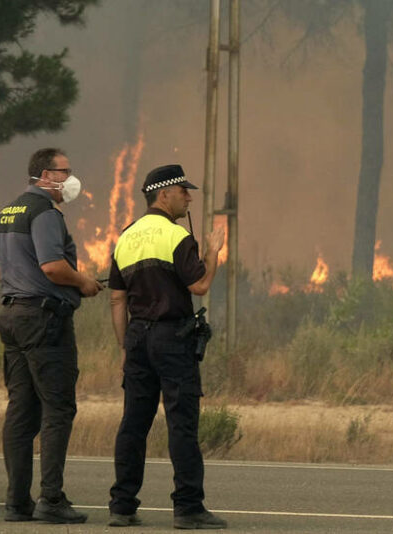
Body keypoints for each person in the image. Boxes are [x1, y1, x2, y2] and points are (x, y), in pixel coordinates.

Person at [107, 164, 226, 529]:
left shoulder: (125, 238)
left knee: (133, 424)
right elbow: (200, 286)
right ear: (163, 194)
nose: (188, 197)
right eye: (183, 191)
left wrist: (125, 347)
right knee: (182, 423)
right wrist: (213, 251)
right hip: (173, 338)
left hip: (137, 337)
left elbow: (116, 299)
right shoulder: (176, 237)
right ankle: (188, 508)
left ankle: (122, 507)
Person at [0, 148, 103, 524]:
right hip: (44, 320)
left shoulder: (7, 212)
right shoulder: (45, 213)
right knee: (58, 408)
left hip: (12, 317)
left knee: (22, 410)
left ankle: (16, 503)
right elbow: (53, 266)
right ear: (44, 175)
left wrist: (22, 277)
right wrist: (83, 281)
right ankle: (51, 500)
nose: (70, 178)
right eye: (64, 171)